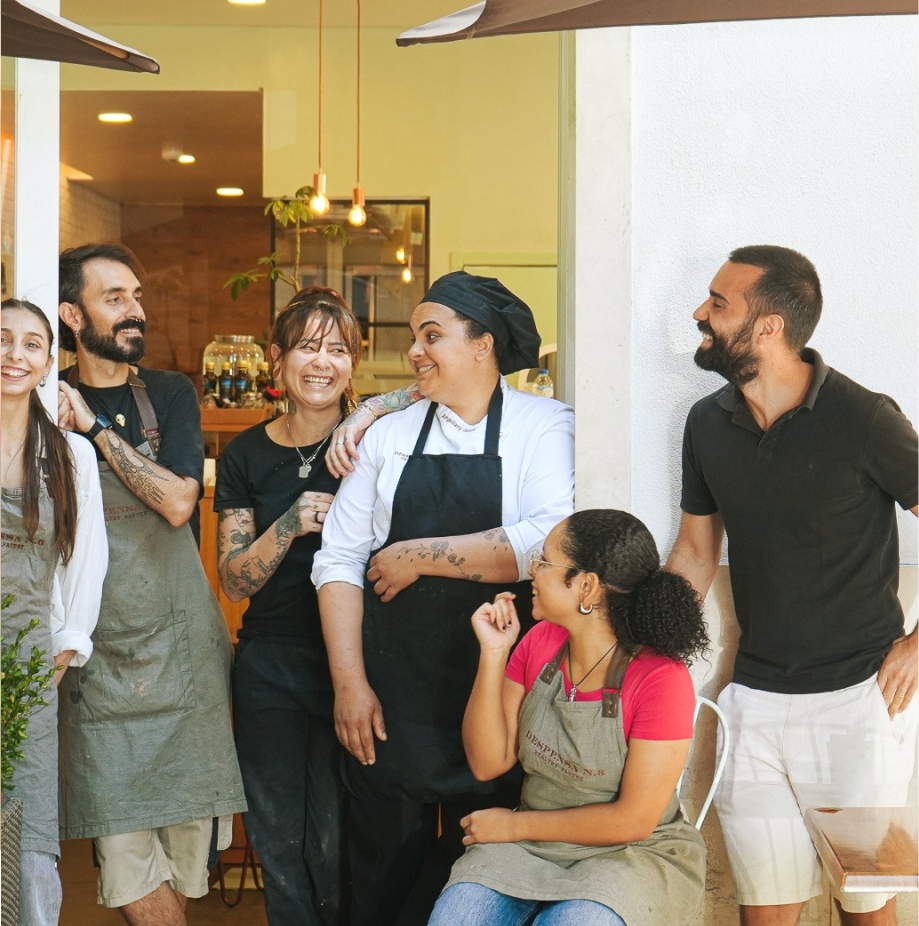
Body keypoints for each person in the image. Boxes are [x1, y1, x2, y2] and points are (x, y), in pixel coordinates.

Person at [666, 245, 919, 926]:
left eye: (719, 303)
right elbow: (694, 554)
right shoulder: (705, 424)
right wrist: (642, 648)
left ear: (769, 327)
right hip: (753, 703)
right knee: (764, 913)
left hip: (859, 705)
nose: (701, 313)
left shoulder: (865, 418)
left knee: (866, 909)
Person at [313, 271, 575, 926]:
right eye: (413, 337)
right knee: (378, 879)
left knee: (479, 879)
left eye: (432, 336)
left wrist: (416, 555)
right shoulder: (388, 435)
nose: (414, 351)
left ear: (484, 344)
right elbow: (338, 560)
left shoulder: (543, 425)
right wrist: (349, 684)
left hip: (498, 695)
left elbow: (545, 542)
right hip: (390, 698)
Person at [55, 243, 247, 926]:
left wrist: (95, 427)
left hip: (181, 664)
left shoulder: (169, 393)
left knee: (183, 864)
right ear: (72, 315)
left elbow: (177, 501)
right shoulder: (44, 403)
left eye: (136, 296)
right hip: (100, 664)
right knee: (125, 860)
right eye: (115, 298)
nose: (135, 310)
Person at [428, 509, 708, 926]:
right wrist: (493, 654)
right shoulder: (540, 640)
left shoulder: (661, 679)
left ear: (586, 586)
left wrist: (514, 827)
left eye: (544, 561)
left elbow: (633, 820)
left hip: (630, 854)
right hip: (531, 846)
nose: (532, 570)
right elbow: (488, 763)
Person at [214, 287, 364, 926]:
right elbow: (233, 581)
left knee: (336, 836)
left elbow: (424, 389)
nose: (323, 362)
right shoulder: (246, 455)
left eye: (338, 349)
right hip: (269, 664)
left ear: (354, 363)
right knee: (276, 837)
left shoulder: (373, 444)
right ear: (276, 359)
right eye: (307, 347)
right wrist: (291, 522)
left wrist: (365, 414)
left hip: (350, 661)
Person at [1, 299, 107, 926]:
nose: (14, 354)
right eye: (3, 339)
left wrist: (64, 649)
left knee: (28, 821)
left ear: (47, 363)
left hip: (28, 663)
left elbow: (87, 558)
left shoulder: (71, 455)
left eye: (31, 344)